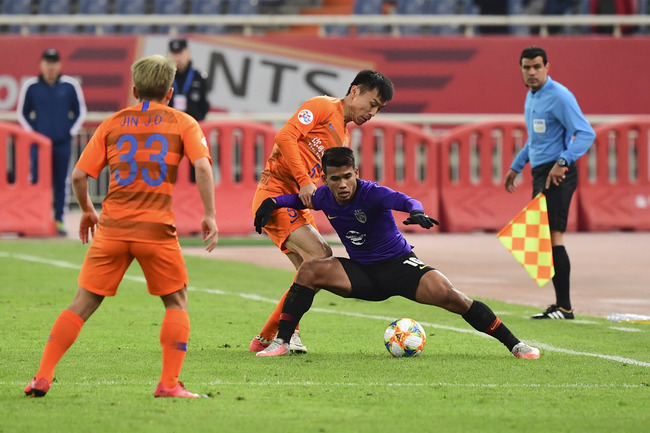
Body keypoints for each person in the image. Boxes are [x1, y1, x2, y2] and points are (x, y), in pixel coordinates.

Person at [24, 55, 219, 399]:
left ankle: (42, 376)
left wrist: (87, 210)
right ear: (170, 92)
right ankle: (169, 384)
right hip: (156, 229)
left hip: (112, 228)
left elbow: (79, 175)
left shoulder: (113, 123)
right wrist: (209, 214)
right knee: (176, 302)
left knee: (82, 302)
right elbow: (202, 168)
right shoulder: (183, 122)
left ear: (133, 89)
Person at [253, 147, 540, 359]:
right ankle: (282, 341)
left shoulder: (373, 193)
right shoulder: (323, 196)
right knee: (309, 270)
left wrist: (416, 212)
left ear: (356, 174)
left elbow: (404, 199)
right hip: (363, 274)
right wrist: (272, 203)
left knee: (453, 297)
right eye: (334, 178)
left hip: (400, 268)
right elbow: (296, 199)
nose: (342, 184)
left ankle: (515, 344)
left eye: (347, 177)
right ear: (325, 179)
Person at [249, 70, 394, 354]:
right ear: (355, 91)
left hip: (297, 204)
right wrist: (304, 180)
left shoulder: (344, 140)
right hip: (275, 193)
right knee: (319, 258)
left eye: (379, 109)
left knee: (311, 273)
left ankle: (267, 337)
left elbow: (329, 186)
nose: (373, 112)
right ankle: (287, 335)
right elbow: (286, 136)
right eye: (372, 103)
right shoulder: (322, 106)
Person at [504, 46, 595, 320]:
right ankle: (560, 305)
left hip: (559, 172)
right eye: (526, 67)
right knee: (539, 238)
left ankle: (565, 307)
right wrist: (516, 166)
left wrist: (564, 161)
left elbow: (586, 133)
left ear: (547, 67)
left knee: (553, 235)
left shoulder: (560, 96)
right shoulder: (531, 97)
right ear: (521, 69)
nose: (531, 72)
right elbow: (536, 139)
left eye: (536, 67)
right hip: (541, 172)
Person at [16, 48, 87, 236]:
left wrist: (68, 131)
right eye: (48, 61)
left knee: (61, 181)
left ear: (59, 64)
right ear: (41, 64)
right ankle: (35, 218)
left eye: (54, 62)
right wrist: (35, 135)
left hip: (62, 143)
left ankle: (59, 220)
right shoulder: (31, 86)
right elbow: (22, 114)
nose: (51, 66)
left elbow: (80, 112)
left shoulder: (70, 86)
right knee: (37, 181)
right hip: (38, 146)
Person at [168, 38, 210, 122]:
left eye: (180, 53)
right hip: (170, 126)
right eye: (174, 54)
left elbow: (204, 105)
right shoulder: (165, 78)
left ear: (188, 53)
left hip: (193, 126)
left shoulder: (198, 77)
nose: (178, 58)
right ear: (169, 55)